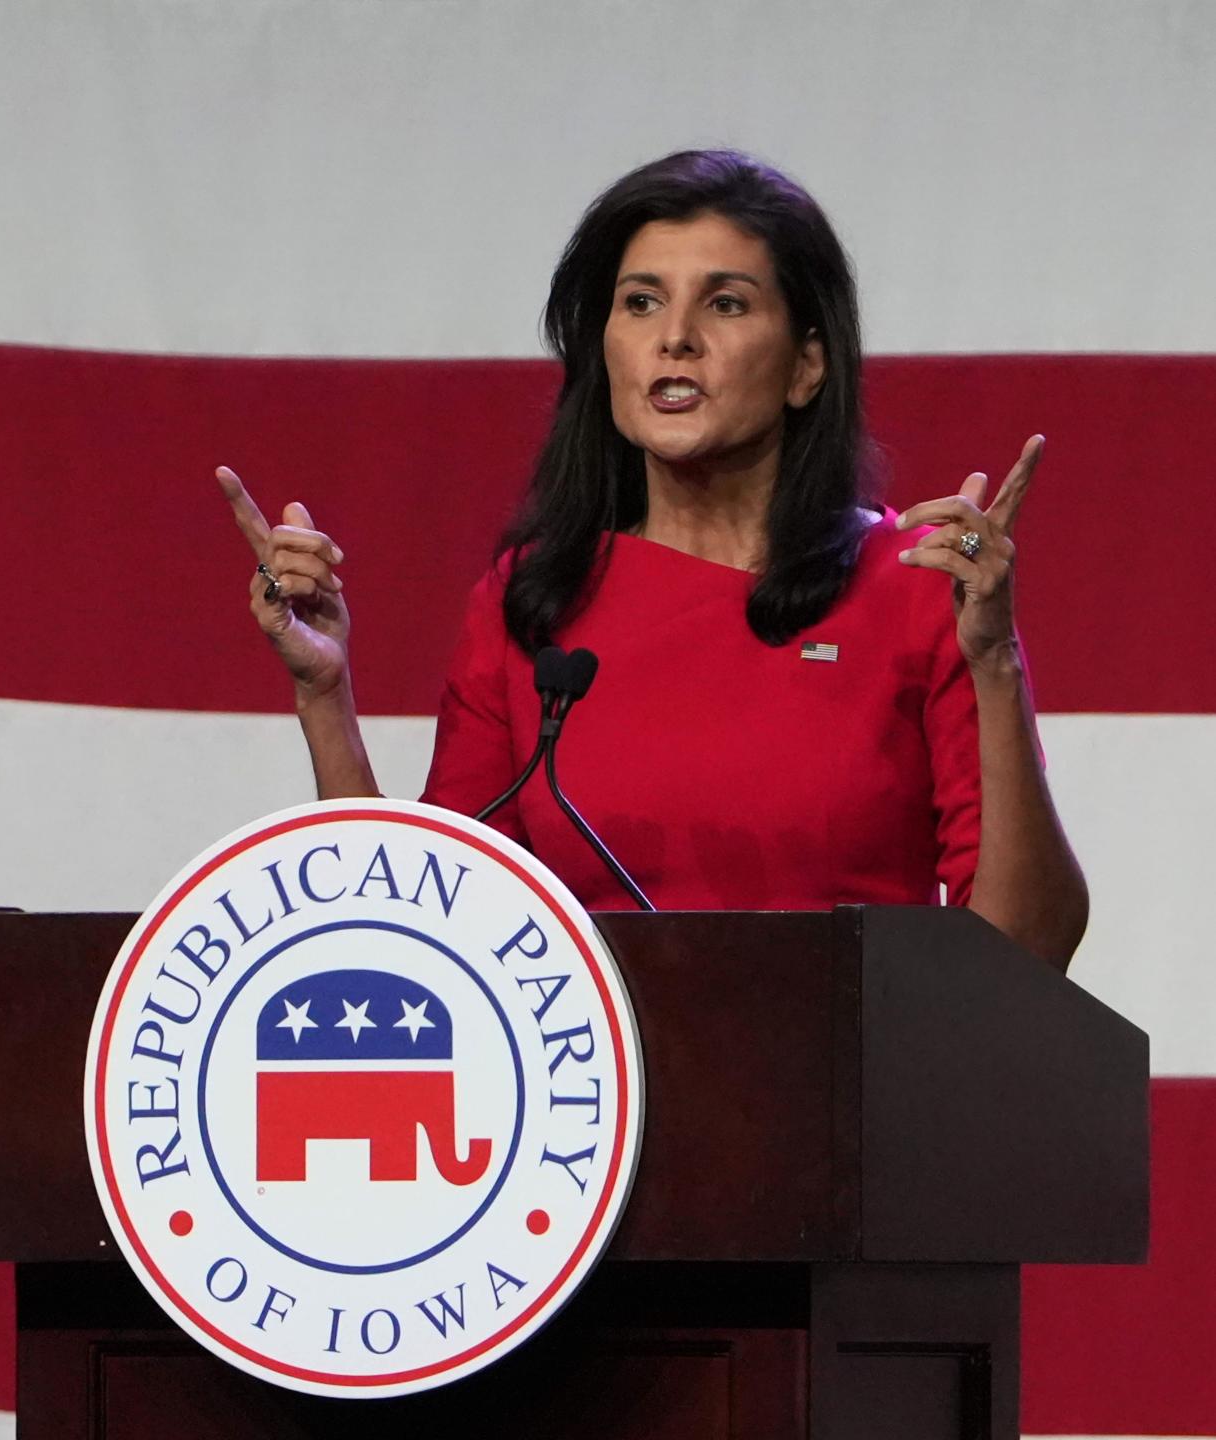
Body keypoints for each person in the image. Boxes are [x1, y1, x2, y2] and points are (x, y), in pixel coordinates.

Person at [217, 149, 1088, 969]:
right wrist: (324, 697)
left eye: (726, 303)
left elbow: (1028, 948)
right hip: (599, 1121)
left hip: (853, 1107)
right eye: (640, 302)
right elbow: (426, 941)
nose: (675, 337)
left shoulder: (914, 589)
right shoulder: (532, 602)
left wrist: (995, 661)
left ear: (806, 366)